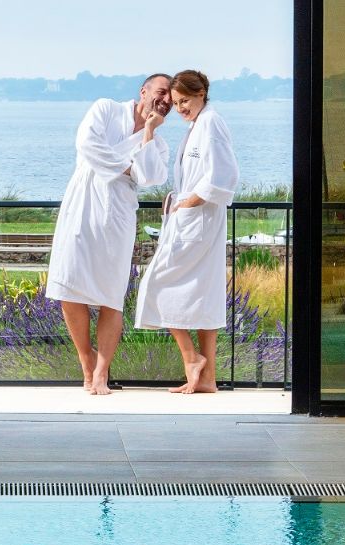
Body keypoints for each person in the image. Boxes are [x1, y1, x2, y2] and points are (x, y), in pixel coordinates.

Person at [44, 74, 173, 395]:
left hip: (117, 215)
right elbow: (87, 145)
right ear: (143, 91)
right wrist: (128, 168)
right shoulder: (105, 109)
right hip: (83, 204)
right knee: (68, 286)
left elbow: (152, 177)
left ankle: (101, 371)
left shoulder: (159, 143)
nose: (165, 102)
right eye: (160, 93)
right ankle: (86, 360)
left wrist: (149, 132)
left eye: (170, 101)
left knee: (111, 295)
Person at [134, 70, 236, 394]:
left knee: (154, 282)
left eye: (185, 101)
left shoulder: (211, 123)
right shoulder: (198, 125)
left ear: (201, 94)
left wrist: (188, 203)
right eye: (176, 103)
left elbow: (224, 175)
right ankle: (207, 379)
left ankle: (192, 359)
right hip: (198, 221)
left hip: (197, 220)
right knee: (205, 293)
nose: (180, 108)